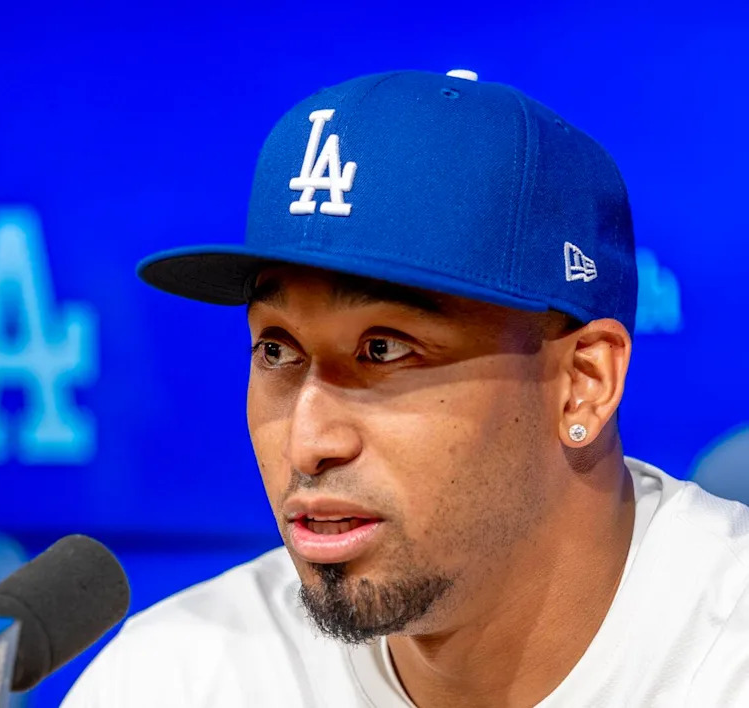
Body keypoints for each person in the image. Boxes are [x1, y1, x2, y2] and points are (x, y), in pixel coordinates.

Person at [62, 70, 749, 707]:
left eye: (383, 351)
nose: (308, 443)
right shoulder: (180, 676)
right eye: (277, 350)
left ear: (582, 382)